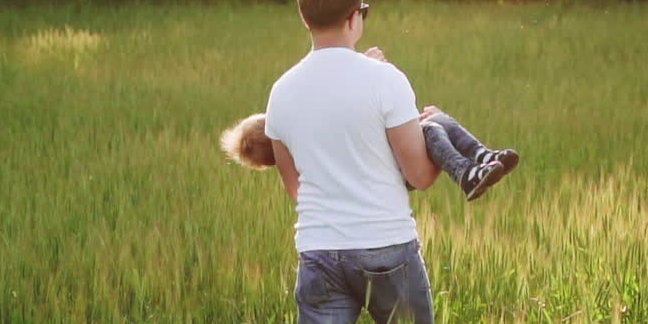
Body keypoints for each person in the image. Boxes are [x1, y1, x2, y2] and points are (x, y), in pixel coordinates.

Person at [264, 0, 501, 324]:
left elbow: (295, 187)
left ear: (305, 18)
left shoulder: (281, 91)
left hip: (318, 251)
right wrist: (430, 137)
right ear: (355, 17)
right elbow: (421, 176)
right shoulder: (384, 80)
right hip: (386, 247)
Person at [221, 103, 520, 202]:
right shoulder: (308, 144)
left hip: (388, 166)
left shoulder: (304, 153)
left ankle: (484, 159)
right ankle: (466, 174)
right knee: (430, 128)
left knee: (436, 120)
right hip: (389, 173)